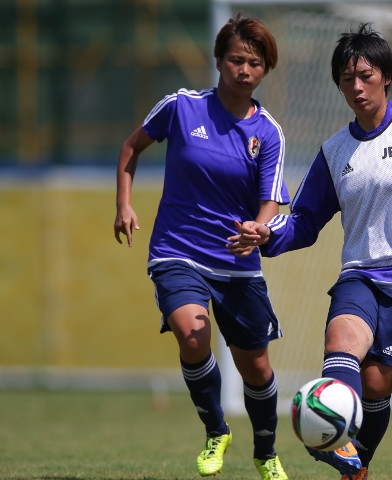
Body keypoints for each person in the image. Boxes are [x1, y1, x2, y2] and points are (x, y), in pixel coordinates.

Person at [228, 23, 392, 480]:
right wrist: (267, 235)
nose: (357, 86)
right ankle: (338, 444)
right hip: (361, 274)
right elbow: (304, 222)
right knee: (340, 343)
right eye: (347, 79)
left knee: (375, 383)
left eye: (366, 75)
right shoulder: (335, 151)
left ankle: (354, 462)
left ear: (386, 76)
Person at [114, 12, 290, 479]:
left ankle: (266, 452)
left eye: (255, 63)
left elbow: (271, 200)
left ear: (264, 69)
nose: (244, 70)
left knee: (256, 368)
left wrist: (258, 227)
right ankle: (216, 430)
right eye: (236, 60)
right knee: (192, 334)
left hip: (237, 260)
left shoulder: (268, 133)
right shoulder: (181, 106)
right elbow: (131, 148)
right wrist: (124, 205)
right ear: (218, 60)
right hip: (177, 249)